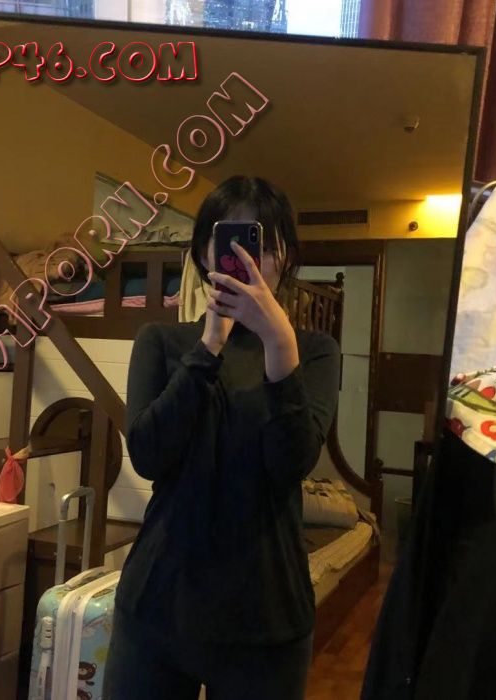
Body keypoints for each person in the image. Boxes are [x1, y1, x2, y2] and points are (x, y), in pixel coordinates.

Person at [103, 175, 341, 699]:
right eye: (231, 239)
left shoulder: (314, 351)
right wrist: (208, 345)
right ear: (204, 253)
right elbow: (147, 455)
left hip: (267, 615)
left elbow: (291, 463)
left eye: (263, 244)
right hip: (158, 605)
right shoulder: (162, 341)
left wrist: (279, 342)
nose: (248, 258)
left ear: (285, 256)